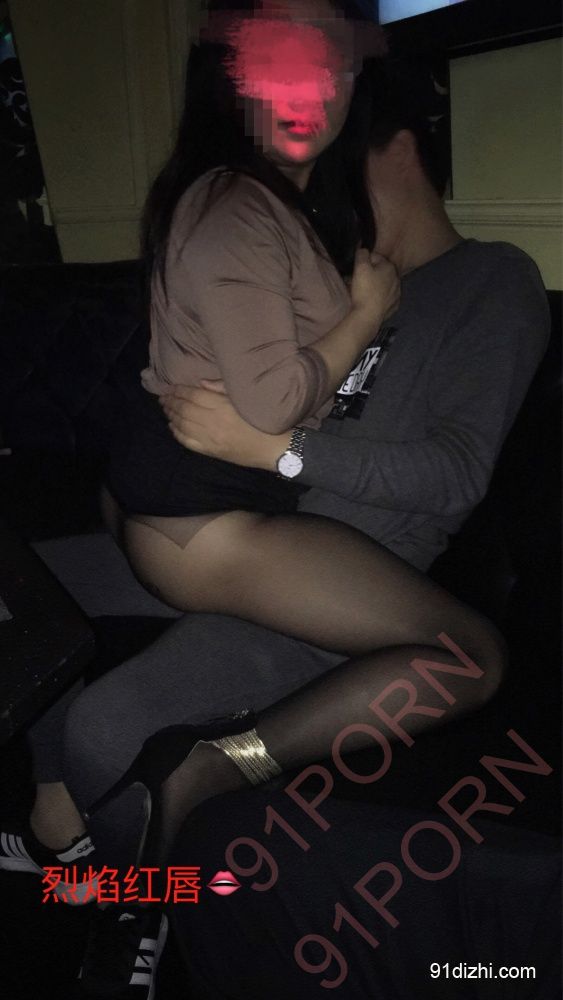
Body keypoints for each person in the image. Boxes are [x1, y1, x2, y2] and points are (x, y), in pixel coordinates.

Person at [1, 26, 544, 999]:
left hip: (341, 574)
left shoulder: (492, 281)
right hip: (244, 529)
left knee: (108, 727)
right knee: (23, 582)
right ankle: (59, 834)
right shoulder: (338, 277)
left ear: (395, 146)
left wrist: (280, 449)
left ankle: (143, 898)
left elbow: (454, 476)